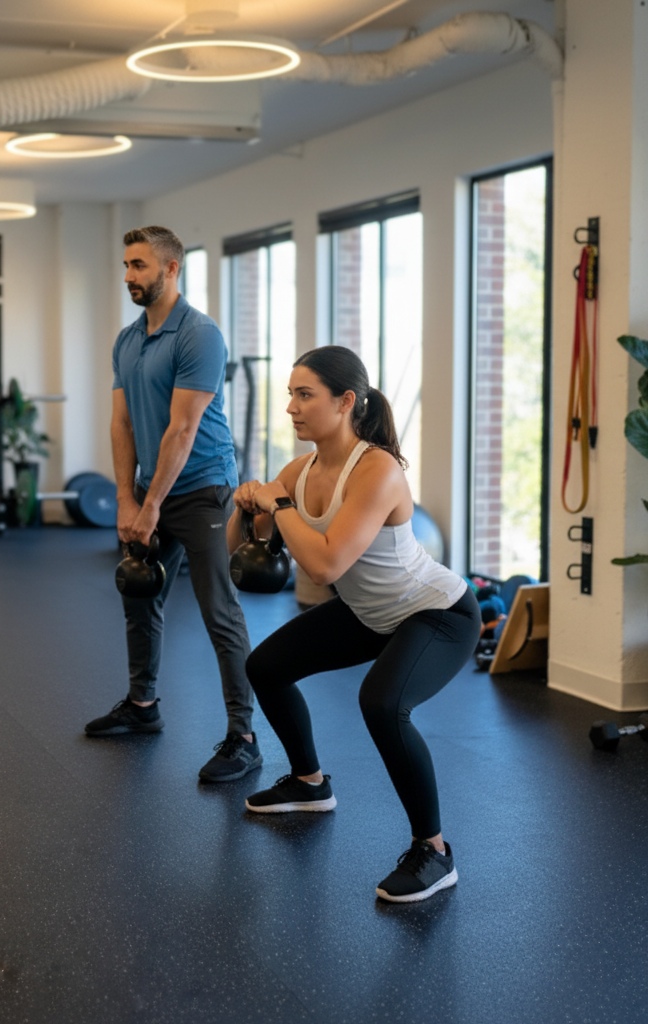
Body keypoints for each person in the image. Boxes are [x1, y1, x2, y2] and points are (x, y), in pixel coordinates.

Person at [228, 345, 481, 902]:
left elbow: (322, 566)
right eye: (289, 395)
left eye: (304, 395)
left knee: (383, 703)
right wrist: (246, 504)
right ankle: (309, 783)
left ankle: (434, 851)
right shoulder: (300, 469)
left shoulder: (377, 469)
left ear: (345, 402)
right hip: (369, 612)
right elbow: (241, 551)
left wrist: (281, 506)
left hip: (435, 613)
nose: (291, 408)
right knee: (265, 667)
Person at [84, 225, 260, 784]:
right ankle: (142, 706)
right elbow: (121, 422)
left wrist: (151, 503)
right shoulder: (128, 339)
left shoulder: (199, 335)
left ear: (171, 269)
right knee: (140, 594)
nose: (130, 276)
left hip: (203, 487)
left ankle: (244, 737)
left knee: (218, 611)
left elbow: (182, 430)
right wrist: (124, 497)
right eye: (127, 266)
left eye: (139, 265)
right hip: (150, 490)